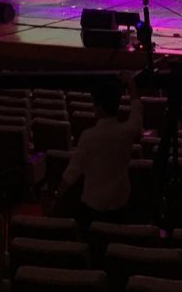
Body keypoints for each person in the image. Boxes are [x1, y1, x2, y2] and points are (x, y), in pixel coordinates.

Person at [59, 73, 143, 226]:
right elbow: (137, 112)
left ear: (98, 107)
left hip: (92, 207)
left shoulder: (88, 136)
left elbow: (72, 172)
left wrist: (56, 195)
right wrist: (131, 84)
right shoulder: (127, 132)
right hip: (120, 205)